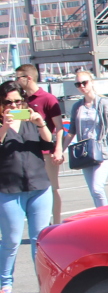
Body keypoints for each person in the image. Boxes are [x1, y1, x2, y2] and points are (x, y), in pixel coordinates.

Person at [0, 79, 53, 293]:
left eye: (18, 101)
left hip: (38, 186)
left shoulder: (30, 121)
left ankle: (44, 284)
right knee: (11, 240)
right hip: (9, 189)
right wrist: (4, 125)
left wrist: (41, 123)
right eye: (8, 102)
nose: (14, 106)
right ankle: (5, 282)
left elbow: (48, 144)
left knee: (39, 240)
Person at [66, 72, 108, 207]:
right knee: (93, 192)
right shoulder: (77, 106)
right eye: (78, 84)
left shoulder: (103, 103)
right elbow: (71, 131)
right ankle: (101, 216)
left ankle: (106, 217)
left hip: (102, 151)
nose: (82, 86)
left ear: (92, 82)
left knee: (97, 188)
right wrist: (60, 150)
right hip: (85, 152)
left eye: (84, 82)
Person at [13, 64, 63, 225]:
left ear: (28, 78)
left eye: (18, 77)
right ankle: (40, 221)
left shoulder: (47, 98)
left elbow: (59, 127)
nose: (16, 81)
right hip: (30, 152)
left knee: (52, 188)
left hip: (47, 151)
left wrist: (59, 149)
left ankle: (55, 223)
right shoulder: (21, 100)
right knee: (34, 189)